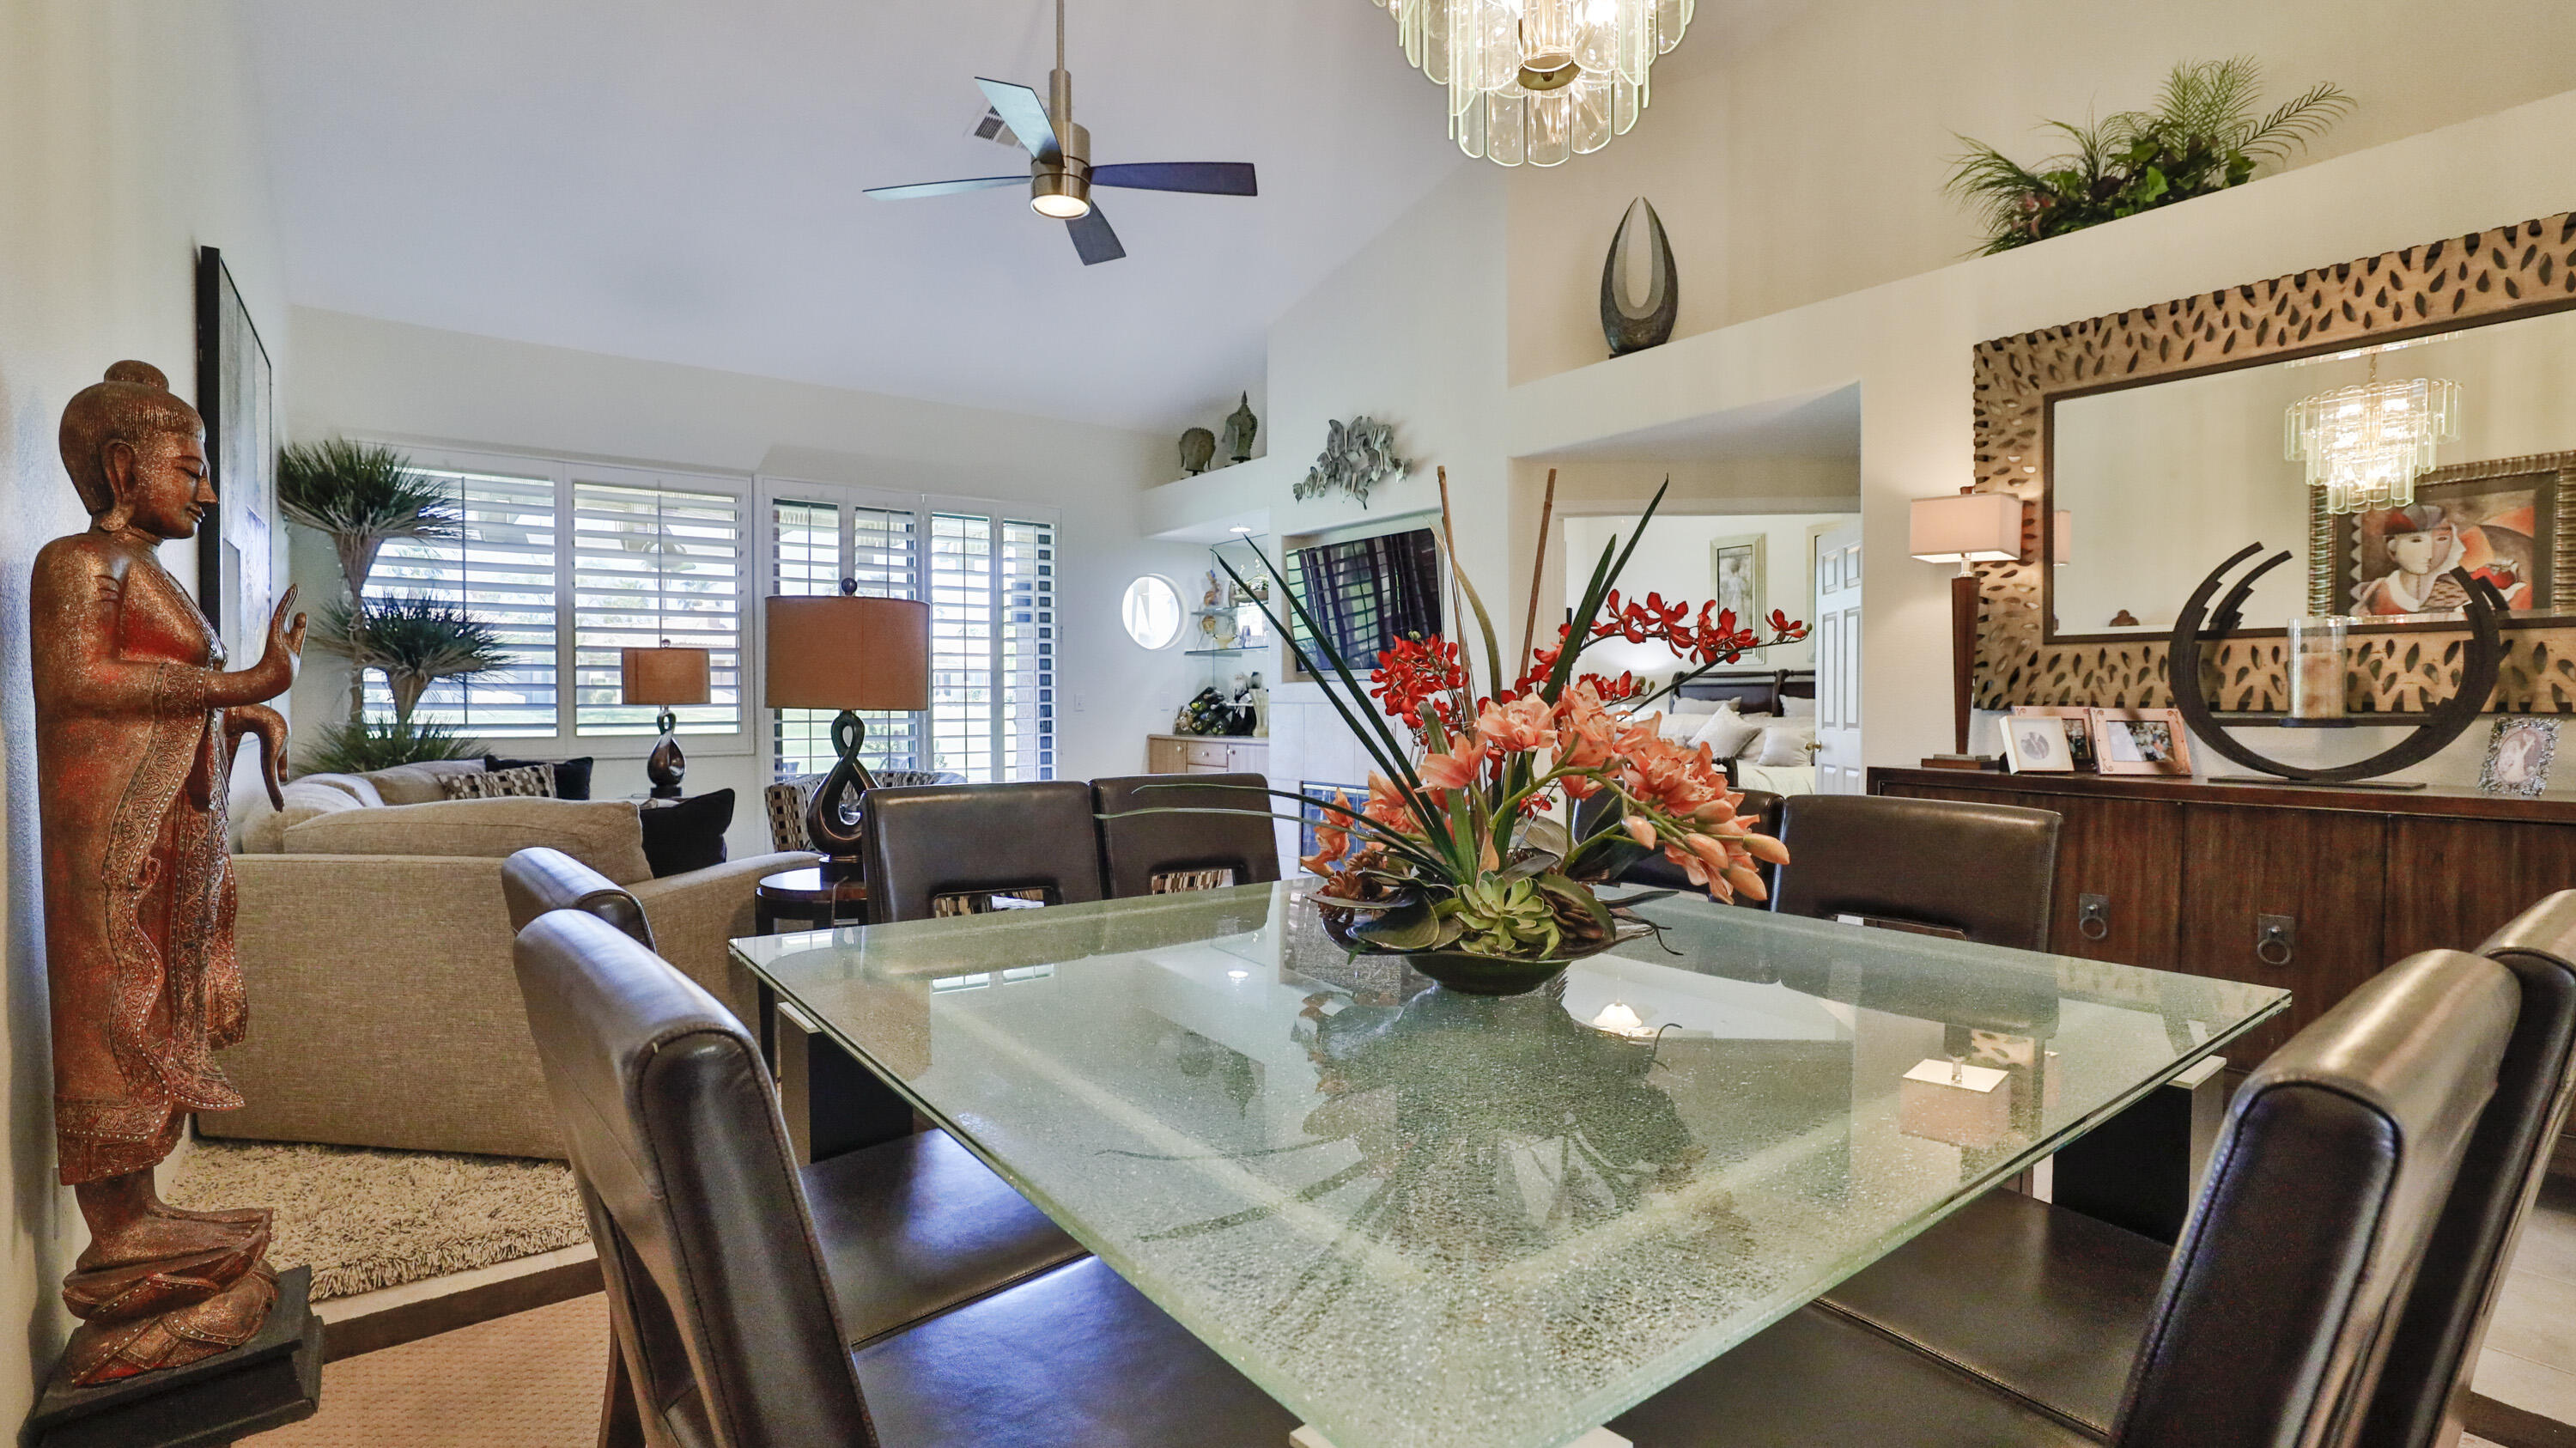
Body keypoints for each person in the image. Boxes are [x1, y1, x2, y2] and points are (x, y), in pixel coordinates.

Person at [31, 361, 305, 1383]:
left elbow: (162, 692)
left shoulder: (142, 567)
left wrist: (245, 713)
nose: (205, 489)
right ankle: (120, 1237)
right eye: (187, 467)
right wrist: (247, 679)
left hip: (148, 839)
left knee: (149, 1015)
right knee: (115, 1011)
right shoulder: (76, 562)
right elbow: (81, 683)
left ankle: (143, 1217)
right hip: (103, 844)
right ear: (118, 464)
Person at [2352, 501, 2536, 616]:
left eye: (2441, 540)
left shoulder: (2455, 593)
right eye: (2416, 541)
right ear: (2392, 549)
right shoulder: (2369, 595)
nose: (2430, 551)